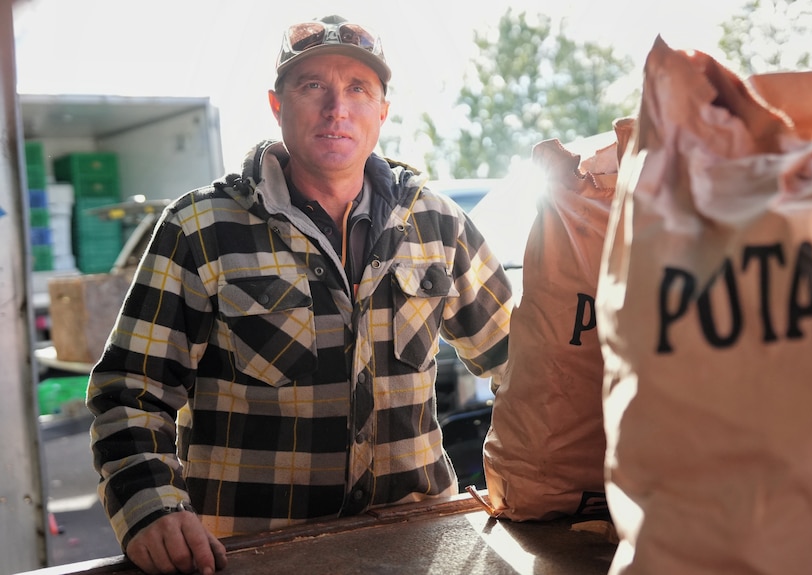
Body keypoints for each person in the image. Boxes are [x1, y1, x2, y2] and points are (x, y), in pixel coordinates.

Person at [87, 14, 513, 575]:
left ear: (382, 110)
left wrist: (539, 476)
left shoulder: (436, 223)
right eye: (313, 86)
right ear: (276, 104)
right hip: (256, 556)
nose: (337, 109)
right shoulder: (200, 228)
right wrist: (149, 508)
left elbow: (527, 363)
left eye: (358, 89)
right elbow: (129, 391)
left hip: (419, 545)